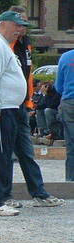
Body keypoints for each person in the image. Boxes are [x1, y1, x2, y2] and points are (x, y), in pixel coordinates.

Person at [0, 11, 64, 214]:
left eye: (21, 26)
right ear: (4, 24)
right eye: (16, 26)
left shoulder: (4, 46)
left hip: (10, 107)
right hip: (2, 108)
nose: (20, 30)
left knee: (4, 153)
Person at [55, 48, 74, 181]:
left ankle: (70, 180)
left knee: (71, 144)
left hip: (69, 103)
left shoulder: (66, 57)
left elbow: (58, 86)